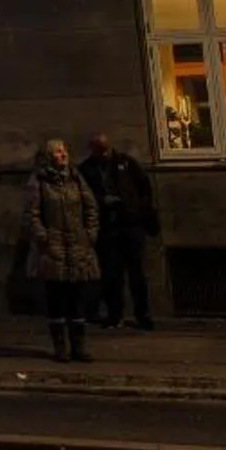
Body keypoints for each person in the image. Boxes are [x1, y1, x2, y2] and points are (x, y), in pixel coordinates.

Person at [24, 138, 101, 362]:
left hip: (77, 245)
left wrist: (90, 234)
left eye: (64, 150)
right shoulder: (40, 181)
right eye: (58, 152)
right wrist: (44, 237)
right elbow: (32, 214)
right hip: (54, 246)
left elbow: (91, 208)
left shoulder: (75, 178)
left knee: (77, 297)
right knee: (56, 297)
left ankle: (79, 346)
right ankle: (60, 346)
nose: (63, 154)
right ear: (50, 156)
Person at [80, 132, 158, 329]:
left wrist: (137, 210)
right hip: (107, 227)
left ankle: (143, 314)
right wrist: (101, 201)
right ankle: (115, 314)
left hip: (130, 224)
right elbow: (83, 196)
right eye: (100, 151)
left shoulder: (126, 163)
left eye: (106, 150)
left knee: (137, 273)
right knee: (111, 274)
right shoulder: (87, 169)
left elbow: (144, 188)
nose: (104, 155)